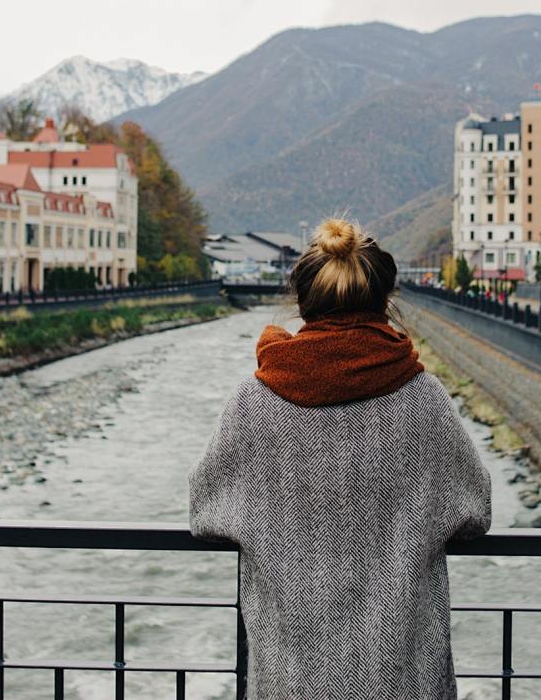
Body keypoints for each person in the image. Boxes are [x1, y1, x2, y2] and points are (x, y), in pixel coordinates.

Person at [189, 217, 492, 700]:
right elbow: (474, 510)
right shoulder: (424, 400)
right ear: (384, 302)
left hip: (293, 678)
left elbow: (205, 511)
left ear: (303, 305)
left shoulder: (253, 403)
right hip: (402, 678)